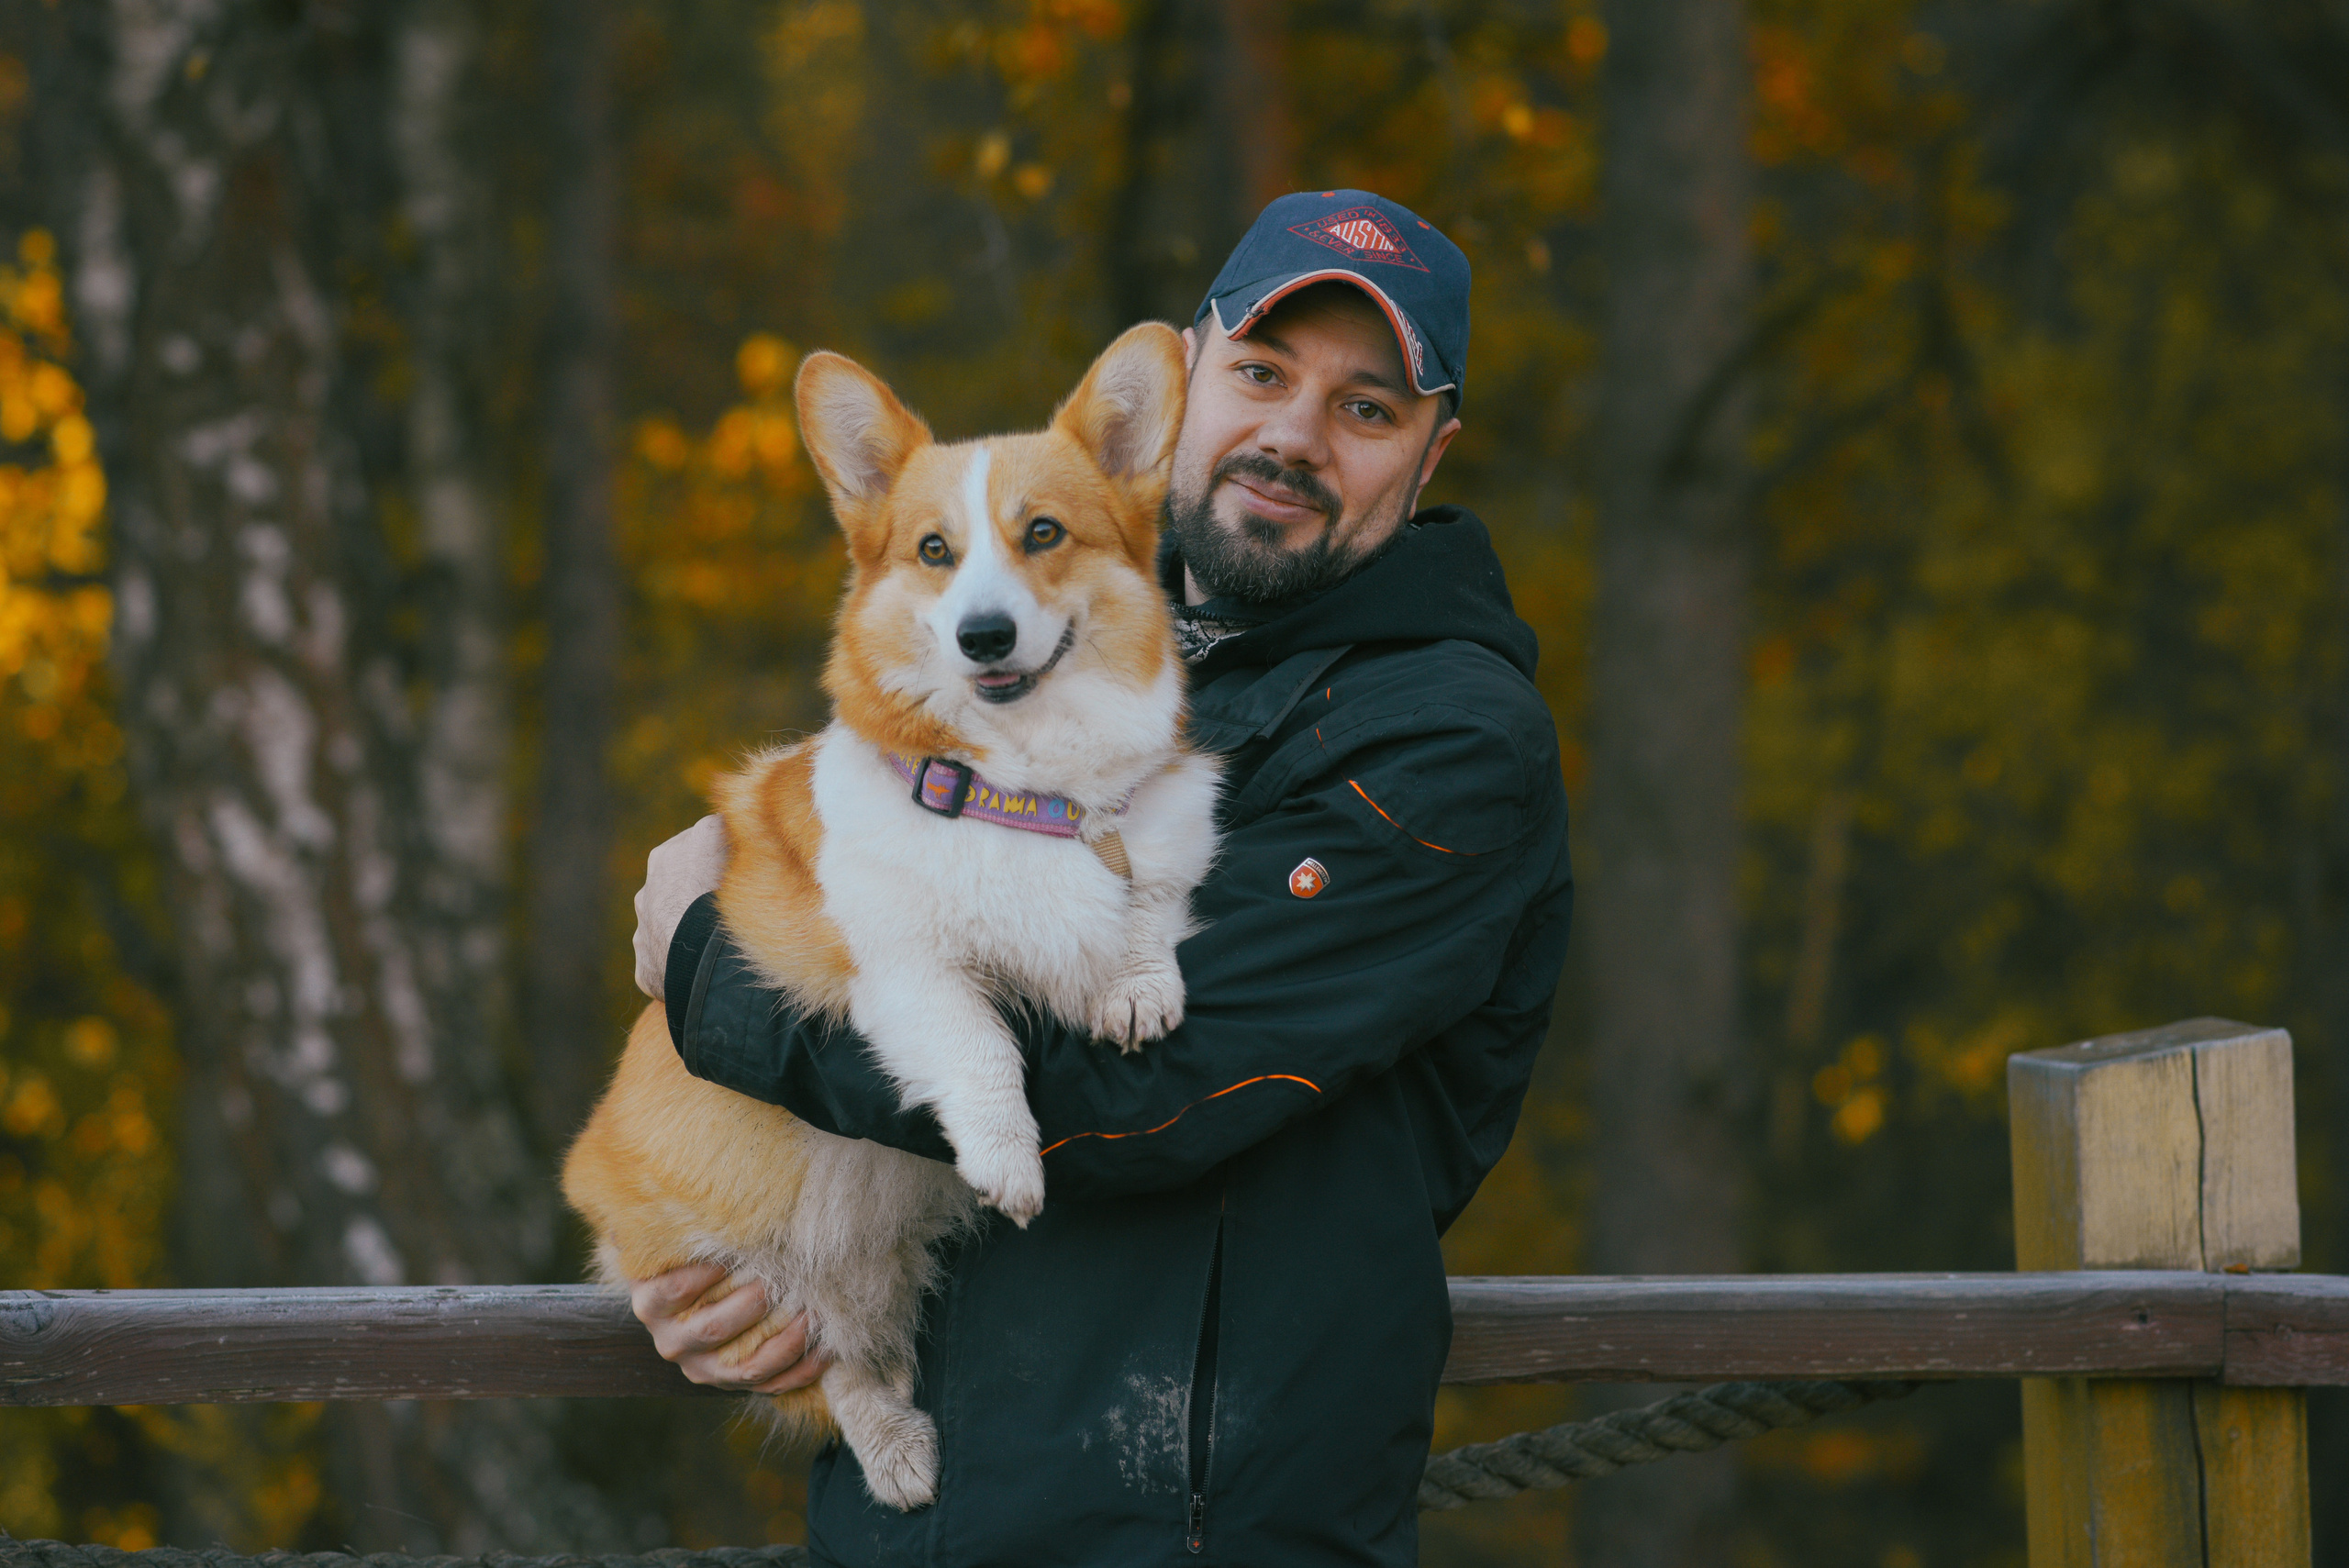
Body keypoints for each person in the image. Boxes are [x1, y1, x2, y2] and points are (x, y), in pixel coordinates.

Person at [625, 190, 1573, 1568]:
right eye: (1260, 373)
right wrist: (735, 1252)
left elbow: (1141, 1093)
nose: (1294, 436)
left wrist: (712, 974)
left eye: (1367, 408)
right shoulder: (1027, 652)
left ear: (1432, 454)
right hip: (911, 1528)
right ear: (1182, 386)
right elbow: (878, 964)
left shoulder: (1449, 741)